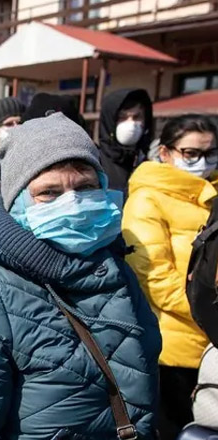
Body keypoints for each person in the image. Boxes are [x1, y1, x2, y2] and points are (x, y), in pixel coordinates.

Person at [0, 112, 161, 439]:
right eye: (49, 193)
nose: (73, 203)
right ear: (16, 201)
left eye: (86, 187)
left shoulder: (114, 266)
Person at [122, 114, 217, 439]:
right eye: (191, 153)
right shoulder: (147, 198)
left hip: (210, 345)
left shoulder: (210, 196)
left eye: (211, 152)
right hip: (173, 349)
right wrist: (211, 313)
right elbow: (156, 280)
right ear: (165, 153)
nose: (202, 161)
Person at [98, 89, 154, 196]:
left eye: (137, 117)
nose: (131, 124)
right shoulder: (96, 163)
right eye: (122, 118)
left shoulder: (152, 162)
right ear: (110, 122)